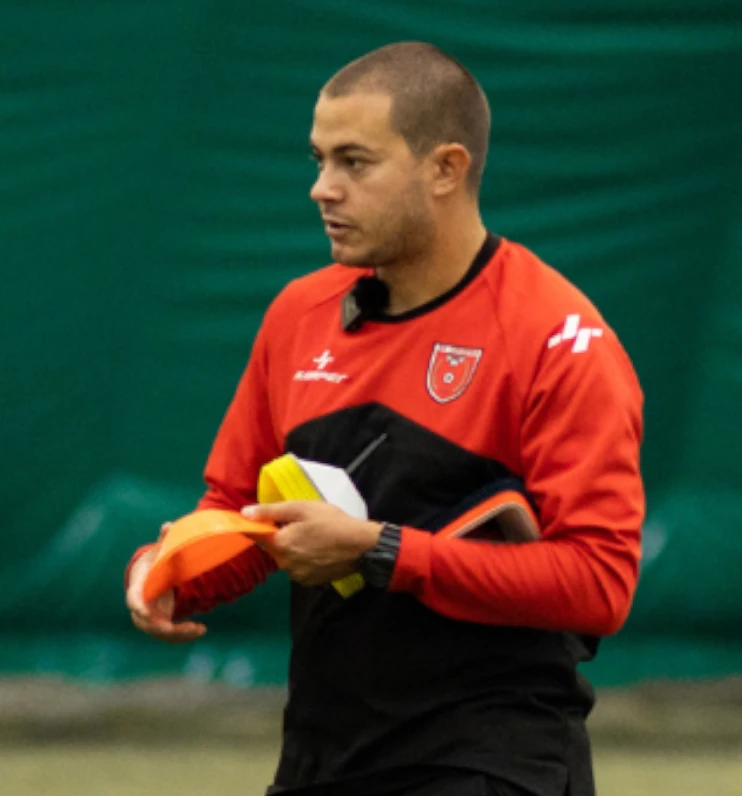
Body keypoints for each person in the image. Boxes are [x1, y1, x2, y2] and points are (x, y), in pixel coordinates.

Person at [125, 41, 644, 796]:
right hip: (322, 754)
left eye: (354, 162)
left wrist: (381, 552)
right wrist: (168, 569)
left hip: (491, 759)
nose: (321, 189)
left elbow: (599, 582)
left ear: (446, 169)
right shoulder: (298, 313)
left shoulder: (559, 338)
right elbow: (239, 512)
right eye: (318, 160)